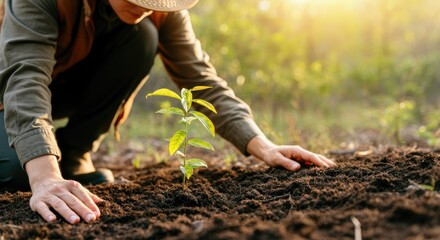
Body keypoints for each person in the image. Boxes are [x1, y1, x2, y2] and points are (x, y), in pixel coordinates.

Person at [0, 0, 336, 224]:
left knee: (143, 37)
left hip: (60, 85)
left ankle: (72, 157)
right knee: (21, 174)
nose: (147, 7)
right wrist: (44, 177)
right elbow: (24, 79)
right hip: (10, 92)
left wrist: (262, 144)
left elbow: (201, 78)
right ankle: (51, 167)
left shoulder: (159, 12)